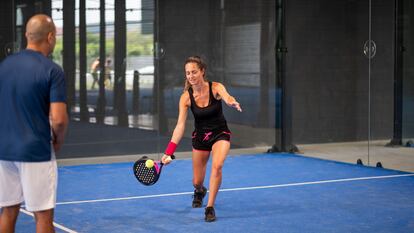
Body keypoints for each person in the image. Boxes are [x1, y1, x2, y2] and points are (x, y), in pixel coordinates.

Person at [0, 14, 68, 233]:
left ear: (27, 35)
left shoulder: (4, 66)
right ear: (50, 37)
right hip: (35, 151)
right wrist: (58, 140)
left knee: (8, 211)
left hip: (4, 150)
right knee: (43, 216)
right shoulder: (52, 70)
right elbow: (58, 119)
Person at [161, 56, 242, 222]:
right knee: (197, 181)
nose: (191, 76)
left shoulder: (216, 87)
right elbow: (180, 126)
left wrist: (231, 102)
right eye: (188, 73)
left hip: (220, 133)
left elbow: (227, 97)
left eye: (194, 72)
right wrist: (169, 152)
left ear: (202, 71)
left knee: (217, 166)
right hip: (200, 138)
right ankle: (199, 191)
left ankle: (210, 207)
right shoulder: (185, 97)